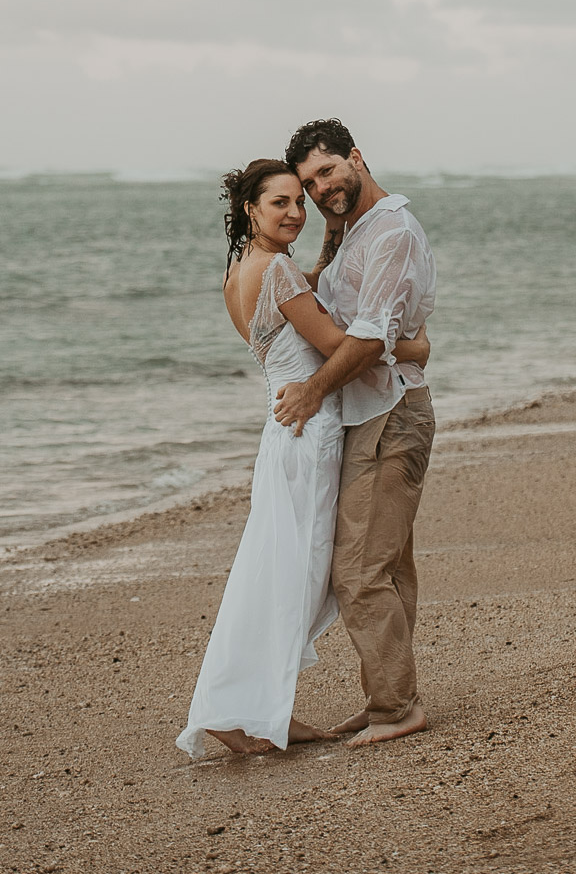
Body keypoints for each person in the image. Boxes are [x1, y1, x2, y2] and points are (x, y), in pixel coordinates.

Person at [176, 158, 430, 759]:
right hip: (310, 432)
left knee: (273, 570)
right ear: (250, 211)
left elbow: (296, 313)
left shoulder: (241, 268)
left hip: (279, 430)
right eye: (281, 203)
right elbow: (343, 347)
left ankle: (247, 708)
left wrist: (324, 249)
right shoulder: (280, 273)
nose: (295, 211)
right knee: (299, 573)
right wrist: (416, 343)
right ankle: (256, 708)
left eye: (300, 201)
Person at [276, 119, 437, 747]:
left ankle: (397, 707)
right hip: (373, 414)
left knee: (358, 570)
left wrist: (313, 391)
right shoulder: (356, 229)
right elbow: (356, 317)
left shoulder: (391, 229)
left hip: (390, 416)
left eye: (327, 173)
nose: (319, 190)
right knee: (387, 565)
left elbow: (370, 338)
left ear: (357, 158)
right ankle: (388, 698)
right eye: (309, 184)